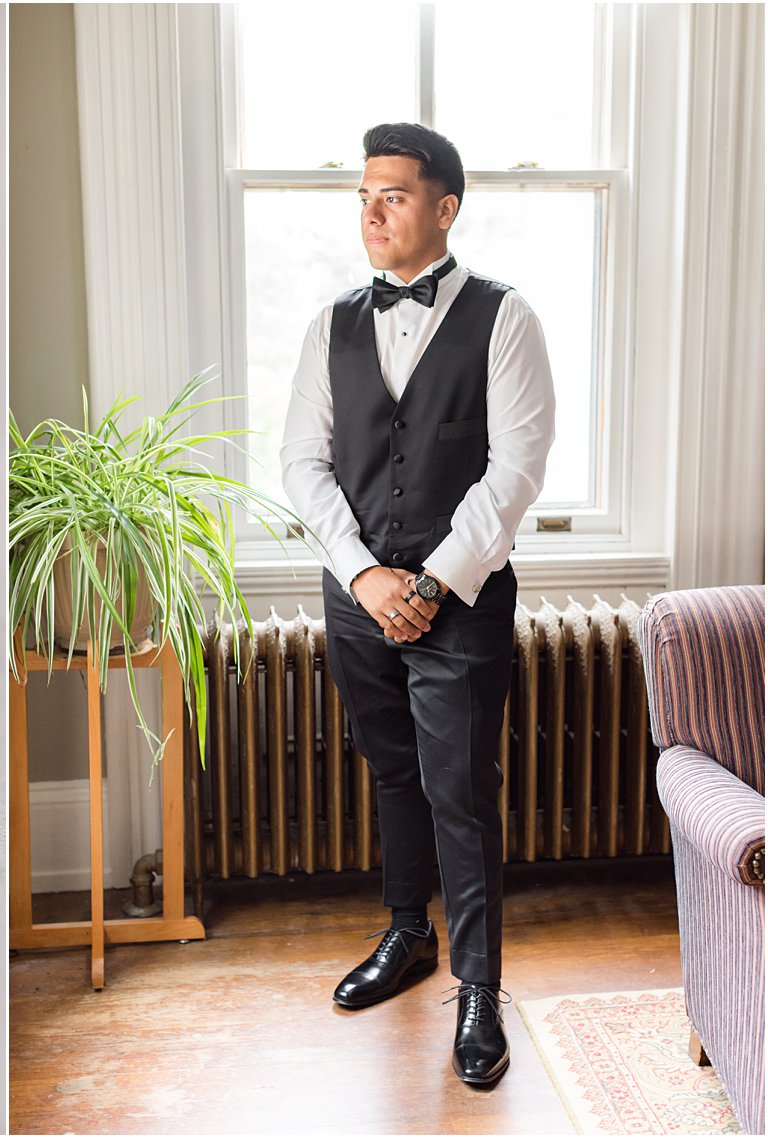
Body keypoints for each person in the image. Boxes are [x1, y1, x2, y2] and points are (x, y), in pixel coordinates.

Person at [279, 122, 557, 1085]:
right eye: (364, 193)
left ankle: (480, 987)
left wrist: (432, 584)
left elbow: (514, 472)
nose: (371, 210)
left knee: (463, 794)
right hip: (358, 596)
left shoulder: (506, 318)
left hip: (463, 600)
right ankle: (409, 934)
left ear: (444, 208)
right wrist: (364, 576)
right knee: (392, 772)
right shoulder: (330, 325)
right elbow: (301, 465)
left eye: (392, 194)